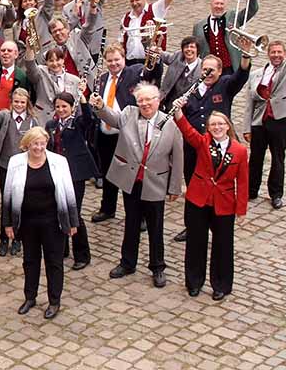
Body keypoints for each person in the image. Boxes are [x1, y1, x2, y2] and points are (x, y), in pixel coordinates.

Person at [90, 83, 183, 288]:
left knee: (155, 227)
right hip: (131, 181)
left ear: (158, 101)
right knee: (131, 223)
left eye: (149, 99)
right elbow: (112, 118)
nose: (144, 104)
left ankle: (157, 267)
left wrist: (175, 187)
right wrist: (100, 106)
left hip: (156, 183)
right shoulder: (129, 114)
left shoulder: (170, 124)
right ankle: (127, 263)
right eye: (141, 100)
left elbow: (177, 158)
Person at [170, 52, 250, 243]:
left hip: (218, 148)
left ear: (220, 71)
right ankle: (192, 226)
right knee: (193, 186)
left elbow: (241, 76)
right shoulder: (192, 89)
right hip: (194, 147)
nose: (207, 73)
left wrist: (245, 56)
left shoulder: (225, 85)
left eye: (212, 70)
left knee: (218, 184)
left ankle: (217, 225)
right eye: (204, 70)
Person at [3, 127, 79, 319]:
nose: (38, 148)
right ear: (27, 144)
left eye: (42, 144)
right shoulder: (15, 162)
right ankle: (30, 297)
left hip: (53, 221)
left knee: (54, 262)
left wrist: (72, 221)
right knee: (30, 261)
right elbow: (7, 196)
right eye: (35, 144)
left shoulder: (59, 162)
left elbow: (69, 193)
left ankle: (54, 301)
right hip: (28, 222)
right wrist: (8, 224)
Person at [173, 106, 248, 301]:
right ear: (208, 128)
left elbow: (243, 181)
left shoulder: (239, 150)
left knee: (223, 245)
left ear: (228, 126)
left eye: (221, 124)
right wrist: (179, 113)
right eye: (213, 124)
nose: (217, 128)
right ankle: (194, 282)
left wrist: (241, 210)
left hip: (224, 203)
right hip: (198, 199)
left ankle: (221, 285)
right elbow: (187, 131)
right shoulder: (203, 142)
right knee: (196, 242)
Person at [240, 27, 286, 210]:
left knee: (278, 158)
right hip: (259, 120)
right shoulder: (257, 74)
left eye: (279, 52)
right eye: (273, 52)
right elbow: (249, 101)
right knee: (255, 157)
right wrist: (247, 127)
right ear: (268, 54)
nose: (276, 55)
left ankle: (276, 194)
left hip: (279, 119)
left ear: (285, 54)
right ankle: (251, 189)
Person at [90, 44, 162, 223]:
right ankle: (108, 207)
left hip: (127, 135)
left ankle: (142, 216)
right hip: (105, 133)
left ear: (124, 59)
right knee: (108, 173)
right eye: (110, 60)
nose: (113, 63)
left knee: (132, 176)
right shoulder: (102, 78)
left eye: (117, 59)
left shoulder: (134, 72)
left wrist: (155, 58)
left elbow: (152, 73)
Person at [0, 88, 39, 257]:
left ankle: (17, 239)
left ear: (27, 103)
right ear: (11, 102)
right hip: (6, 165)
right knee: (7, 202)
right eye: (16, 102)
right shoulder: (6, 116)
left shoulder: (32, 121)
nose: (19, 105)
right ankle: (3, 239)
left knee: (20, 202)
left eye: (22, 102)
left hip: (23, 167)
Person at [45, 91, 98, 270]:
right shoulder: (51, 125)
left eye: (64, 106)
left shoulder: (78, 123)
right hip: (57, 172)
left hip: (76, 174)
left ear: (71, 107)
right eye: (58, 106)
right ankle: (62, 248)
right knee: (57, 209)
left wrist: (83, 101)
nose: (61, 110)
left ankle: (82, 254)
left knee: (74, 212)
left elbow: (90, 120)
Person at [120, 0, 179, 66]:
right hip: (130, 63)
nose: (135, 3)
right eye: (132, 1)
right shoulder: (126, 18)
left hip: (151, 62)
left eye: (137, 0)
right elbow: (122, 41)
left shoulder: (155, 9)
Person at [191, 0, 258, 74]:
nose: (219, 6)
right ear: (211, 4)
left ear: (225, 5)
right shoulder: (198, 26)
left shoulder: (233, 17)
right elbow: (195, 50)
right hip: (210, 70)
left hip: (230, 68)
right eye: (216, 3)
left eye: (221, 4)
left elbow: (251, 10)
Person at [24, 46, 83, 125]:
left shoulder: (75, 80)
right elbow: (30, 66)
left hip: (66, 122)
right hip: (43, 119)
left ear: (63, 60)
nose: (55, 64)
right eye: (51, 61)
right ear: (46, 62)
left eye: (58, 60)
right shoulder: (41, 72)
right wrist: (29, 49)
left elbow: (76, 105)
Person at [158, 37, 203, 110]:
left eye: (192, 47)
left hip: (185, 109)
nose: (189, 49)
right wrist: (157, 51)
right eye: (186, 47)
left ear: (197, 50)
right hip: (164, 103)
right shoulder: (177, 56)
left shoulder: (202, 68)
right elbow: (165, 56)